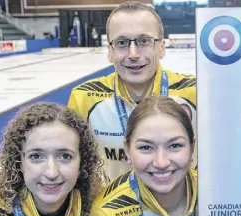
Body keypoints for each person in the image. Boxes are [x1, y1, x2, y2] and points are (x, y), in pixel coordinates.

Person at [68, 1, 197, 181]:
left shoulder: (197, 93)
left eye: (144, 41)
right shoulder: (84, 98)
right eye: (121, 43)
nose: (133, 54)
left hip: (183, 208)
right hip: (111, 207)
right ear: (109, 52)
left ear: (161, 47)